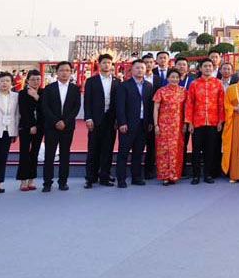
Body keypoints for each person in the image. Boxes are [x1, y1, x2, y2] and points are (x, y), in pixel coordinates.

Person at [40, 61, 82, 192]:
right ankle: (47, 183)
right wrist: (56, 121)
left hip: (67, 127)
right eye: (62, 70)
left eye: (67, 70)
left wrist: (65, 121)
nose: (65, 73)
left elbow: (76, 108)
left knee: (65, 154)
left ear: (71, 72)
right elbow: (45, 107)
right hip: (51, 127)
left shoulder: (75, 89)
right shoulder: (49, 88)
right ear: (56, 72)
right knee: (49, 155)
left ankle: (63, 182)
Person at [185, 58, 224, 184]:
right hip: (197, 122)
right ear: (200, 68)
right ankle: (196, 175)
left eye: (210, 66)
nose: (208, 68)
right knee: (196, 150)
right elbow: (190, 104)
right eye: (205, 66)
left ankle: (208, 174)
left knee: (210, 150)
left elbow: (221, 104)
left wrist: (220, 121)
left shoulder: (218, 83)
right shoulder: (194, 84)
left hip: (213, 122)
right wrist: (189, 122)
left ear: (213, 68)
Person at [115, 60, 154, 187]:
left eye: (142, 68)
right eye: (137, 68)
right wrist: (122, 122)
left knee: (138, 152)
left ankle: (136, 177)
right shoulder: (124, 85)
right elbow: (120, 106)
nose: (140, 70)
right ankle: (121, 179)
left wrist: (150, 122)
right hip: (128, 124)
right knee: (123, 153)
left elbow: (150, 106)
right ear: (131, 70)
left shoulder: (148, 86)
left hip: (143, 124)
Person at [84, 54, 119, 188]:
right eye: (104, 62)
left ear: (112, 65)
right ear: (99, 64)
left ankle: (104, 176)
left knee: (108, 149)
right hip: (95, 120)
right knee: (93, 149)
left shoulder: (117, 82)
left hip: (110, 121)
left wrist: (117, 120)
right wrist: (88, 118)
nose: (106, 65)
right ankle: (90, 177)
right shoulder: (91, 81)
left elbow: (118, 103)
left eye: (109, 63)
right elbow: (87, 102)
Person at [153, 68, 188, 185]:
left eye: (177, 77)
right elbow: (156, 108)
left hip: (178, 126)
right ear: (167, 78)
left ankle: (174, 175)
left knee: (176, 150)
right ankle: (164, 176)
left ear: (180, 79)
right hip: (163, 124)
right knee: (163, 150)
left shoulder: (183, 91)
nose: (174, 79)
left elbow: (186, 109)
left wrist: (185, 123)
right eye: (172, 77)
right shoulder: (161, 91)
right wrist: (156, 125)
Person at [16, 70, 43, 191]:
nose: (36, 82)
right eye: (33, 79)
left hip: (40, 127)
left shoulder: (43, 93)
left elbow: (45, 109)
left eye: (38, 79)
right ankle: (23, 180)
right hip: (26, 127)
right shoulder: (22, 93)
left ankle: (32, 179)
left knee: (35, 153)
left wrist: (36, 97)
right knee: (24, 153)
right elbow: (24, 111)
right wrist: (31, 125)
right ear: (27, 80)